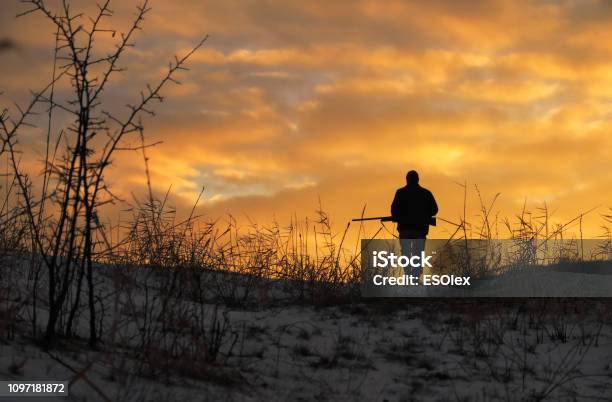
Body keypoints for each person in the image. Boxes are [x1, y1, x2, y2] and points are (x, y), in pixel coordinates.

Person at [391, 170, 438, 279]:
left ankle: (408, 275)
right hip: (420, 230)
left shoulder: (400, 193)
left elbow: (393, 211)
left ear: (406, 180)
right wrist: (424, 215)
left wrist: (400, 216)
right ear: (418, 179)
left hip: (405, 230)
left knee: (406, 254)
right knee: (417, 253)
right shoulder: (426, 193)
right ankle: (416, 277)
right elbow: (435, 210)